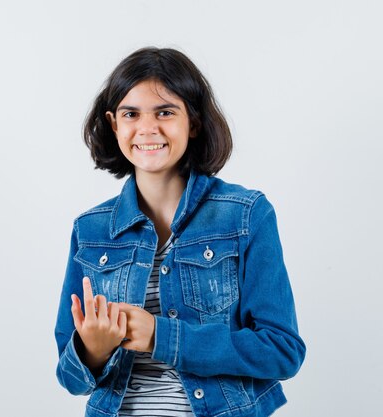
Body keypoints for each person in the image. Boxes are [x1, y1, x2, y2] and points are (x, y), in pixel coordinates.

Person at [54, 47, 306, 417]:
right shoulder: (90, 229)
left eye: (165, 112)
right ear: (113, 124)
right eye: (131, 114)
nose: (147, 128)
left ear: (194, 122)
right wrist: (93, 349)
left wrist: (162, 337)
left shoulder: (246, 215)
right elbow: (71, 377)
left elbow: (283, 351)